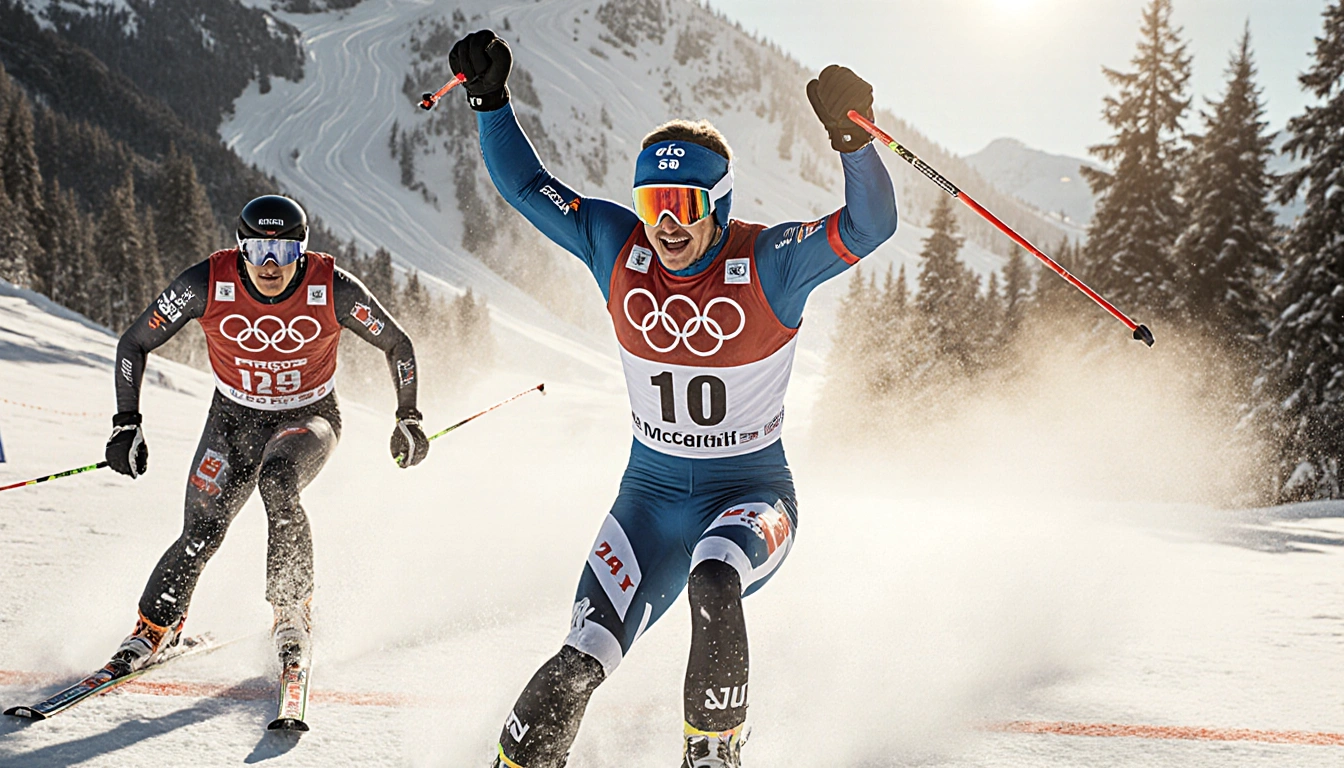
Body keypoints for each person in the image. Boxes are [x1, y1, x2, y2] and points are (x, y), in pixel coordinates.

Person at [449, 29, 897, 768]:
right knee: (578, 660)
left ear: (718, 205)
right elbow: (528, 189)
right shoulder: (614, 246)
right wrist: (490, 102)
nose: (665, 224)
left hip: (751, 495)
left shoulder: (769, 262)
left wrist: (852, 140)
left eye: (684, 204)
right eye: (652, 201)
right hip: (647, 504)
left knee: (716, 576)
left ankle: (712, 752)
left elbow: (868, 227)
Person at [103, 194, 429, 671]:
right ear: (240, 249)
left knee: (277, 482)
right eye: (257, 251)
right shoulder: (205, 284)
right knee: (201, 530)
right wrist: (126, 423)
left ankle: (292, 612)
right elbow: (135, 342)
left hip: (308, 416)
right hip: (233, 421)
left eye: (286, 253)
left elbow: (397, 344)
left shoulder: (333, 287)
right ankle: (156, 627)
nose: (271, 265)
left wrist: (408, 416)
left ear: (303, 251)